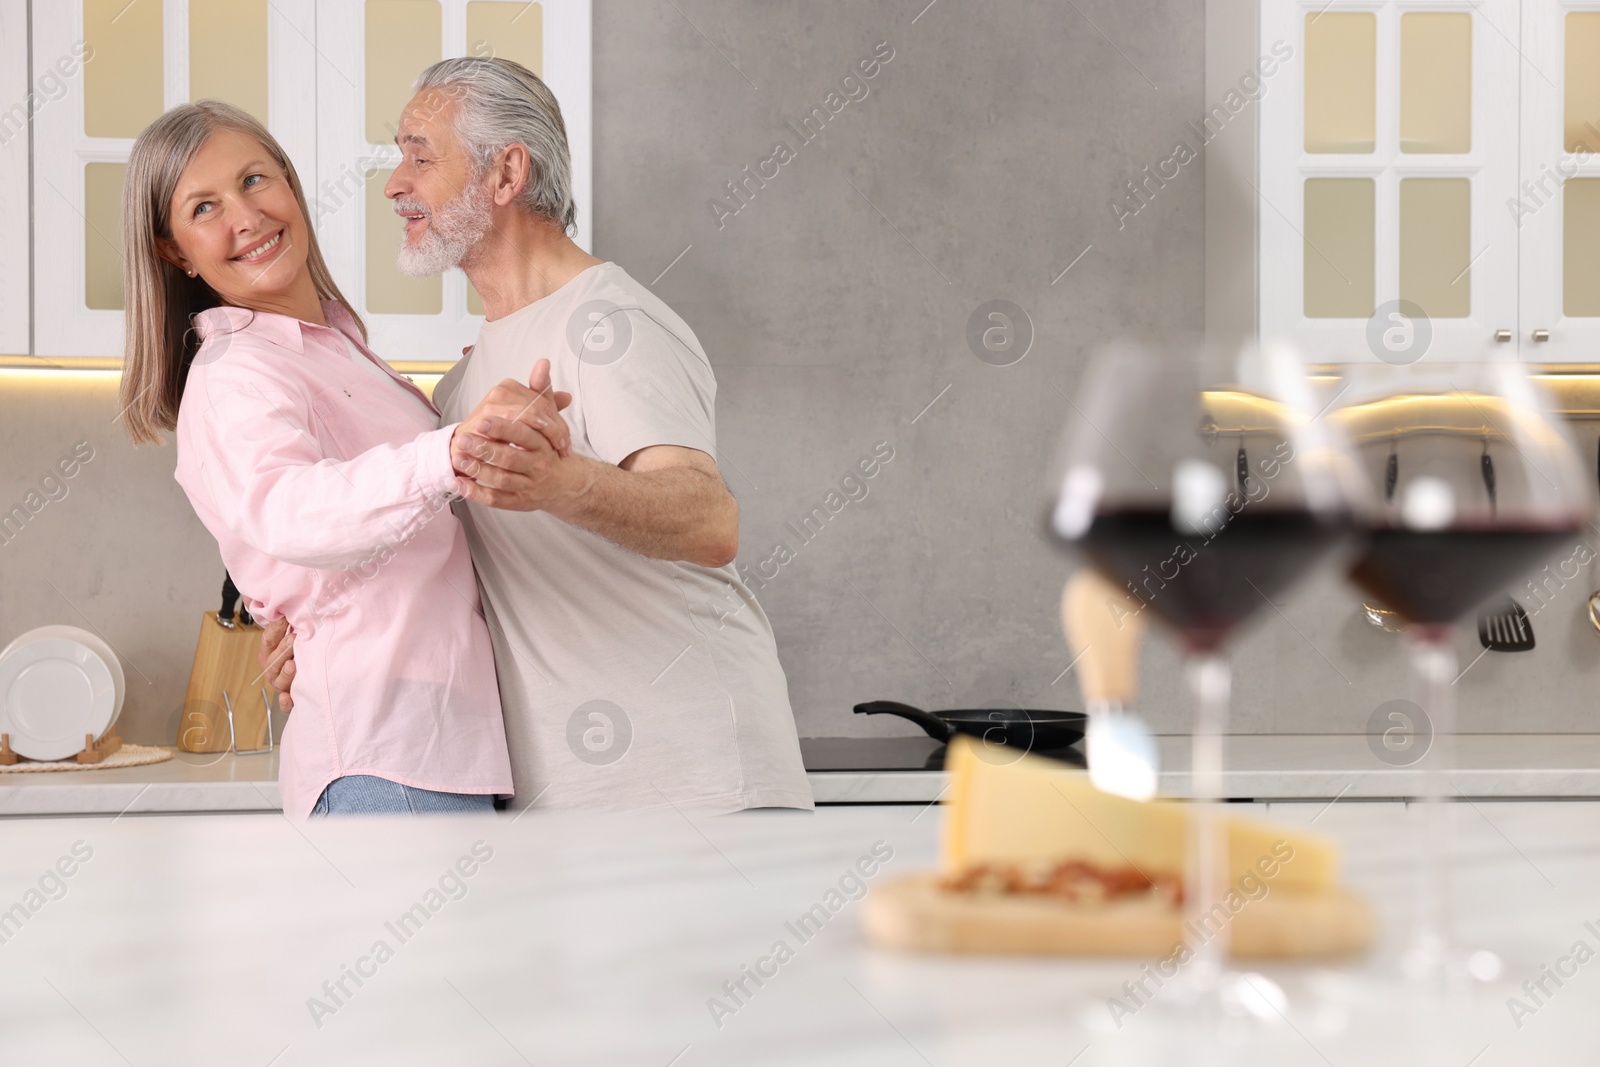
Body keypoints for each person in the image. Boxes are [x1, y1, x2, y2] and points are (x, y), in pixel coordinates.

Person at [264, 58, 813, 814]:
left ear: (506, 173)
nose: (395, 184)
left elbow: (709, 520)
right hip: (574, 792)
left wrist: (562, 483)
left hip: (692, 777)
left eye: (421, 156)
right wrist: (335, 640)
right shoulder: (461, 389)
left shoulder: (608, 322)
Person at [119, 100, 572, 817]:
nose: (246, 216)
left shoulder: (339, 347)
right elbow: (290, 512)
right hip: (389, 757)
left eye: (255, 180)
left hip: (445, 747)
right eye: (204, 207)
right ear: (174, 250)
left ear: (291, 187)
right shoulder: (237, 370)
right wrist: (449, 450)